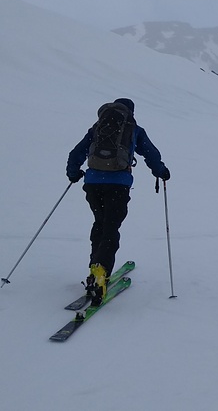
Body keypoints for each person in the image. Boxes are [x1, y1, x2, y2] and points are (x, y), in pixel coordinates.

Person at [66, 98, 170, 304]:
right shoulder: (133, 129)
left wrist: (73, 173)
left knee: (100, 222)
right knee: (111, 227)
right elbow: (150, 153)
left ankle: (94, 269)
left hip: (93, 183)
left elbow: (76, 153)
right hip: (118, 184)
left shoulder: (97, 128)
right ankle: (100, 273)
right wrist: (161, 172)